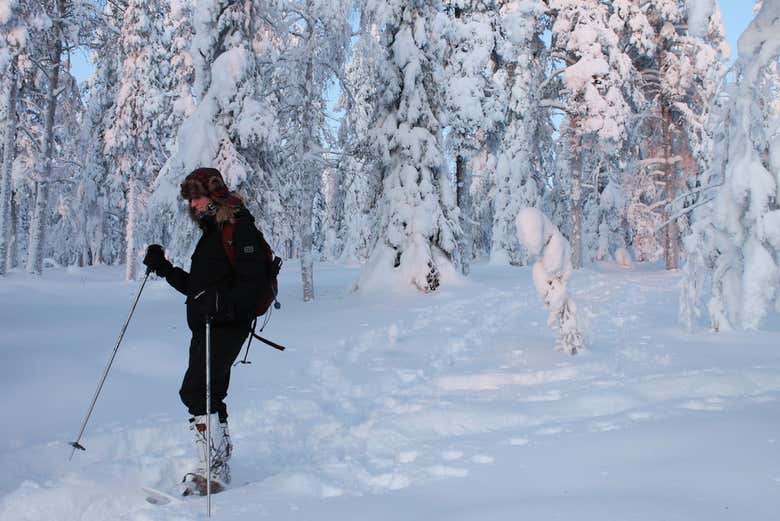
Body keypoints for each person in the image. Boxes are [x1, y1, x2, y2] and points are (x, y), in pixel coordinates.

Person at [143, 167, 273, 495]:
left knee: (196, 391)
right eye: (189, 200)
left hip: (227, 326)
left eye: (197, 198)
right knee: (209, 391)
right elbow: (199, 289)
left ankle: (211, 471)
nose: (194, 205)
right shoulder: (213, 233)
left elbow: (251, 283)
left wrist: (222, 305)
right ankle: (218, 463)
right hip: (206, 325)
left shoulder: (238, 229)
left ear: (214, 194)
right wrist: (165, 269)